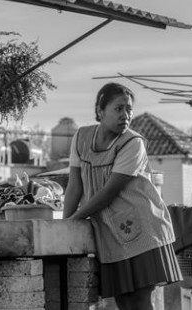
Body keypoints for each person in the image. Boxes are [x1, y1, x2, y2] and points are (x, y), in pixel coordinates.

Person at [62, 82, 182, 310]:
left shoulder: (133, 143)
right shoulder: (81, 138)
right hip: (110, 235)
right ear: (100, 110)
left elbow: (109, 192)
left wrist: (74, 220)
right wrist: (64, 226)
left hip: (143, 230)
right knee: (123, 301)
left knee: (139, 300)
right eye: (118, 109)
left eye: (129, 109)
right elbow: (74, 186)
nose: (125, 115)